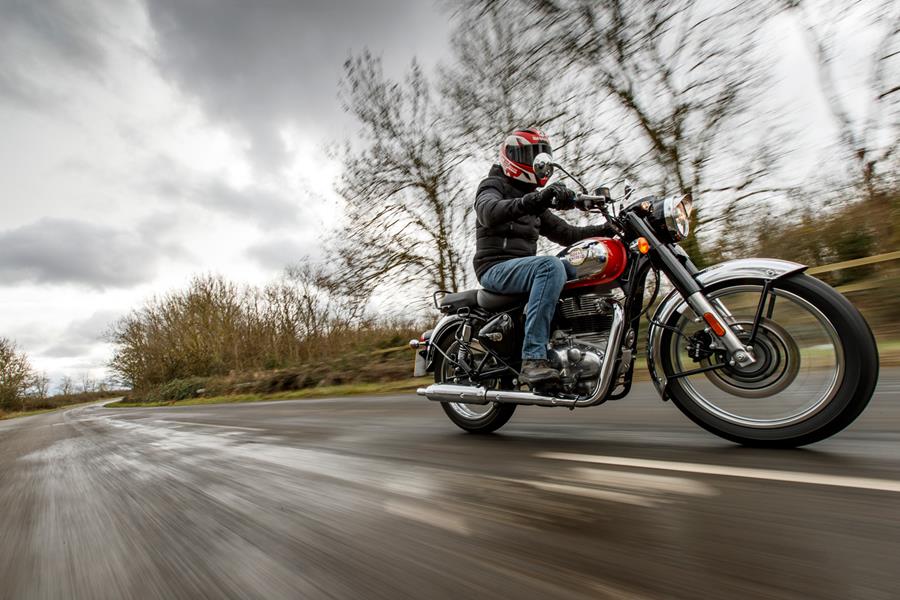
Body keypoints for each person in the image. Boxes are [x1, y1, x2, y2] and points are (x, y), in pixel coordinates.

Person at [473, 127, 613, 385]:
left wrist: (608, 230)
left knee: (578, 265)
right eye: (529, 154)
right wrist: (539, 199)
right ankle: (532, 358)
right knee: (550, 267)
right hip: (494, 268)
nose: (536, 161)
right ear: (511, 156)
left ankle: (574, 343)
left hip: (522, 270)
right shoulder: (494, 185)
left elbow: (568, 234)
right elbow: (489, 212)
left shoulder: (535, 202)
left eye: (540, 155)